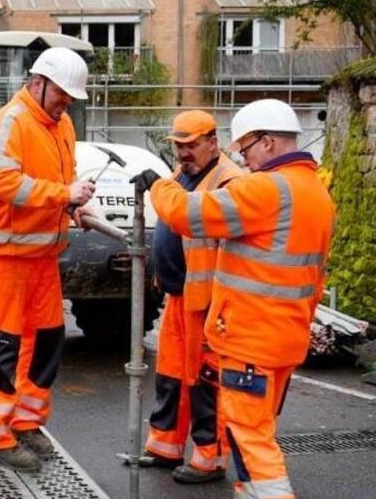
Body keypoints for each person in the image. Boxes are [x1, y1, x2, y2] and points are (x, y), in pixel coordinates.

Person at [132, 99, 334, 499]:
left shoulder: (265, 189)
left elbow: (190, 214)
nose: (244, 158)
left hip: (249, 338)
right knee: (253, 433)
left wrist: (159, 185)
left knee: (250, 438)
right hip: (285, 336)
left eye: (246, 148)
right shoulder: (316, 194)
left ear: (268, 143)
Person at [0, 47, 96, 472]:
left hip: (42, 256)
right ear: (37, 83)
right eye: (61, 94)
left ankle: (26, 421)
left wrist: (74, 205)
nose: (66, 103)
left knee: (45, 342)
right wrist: (64, 195)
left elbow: (59, 181)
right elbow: (2, 181)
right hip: (6, 257)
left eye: (69, 98)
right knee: (4, 347)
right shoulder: (12, 121)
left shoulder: (59, 126)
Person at [138, 110, 242, 484]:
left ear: (213, 142)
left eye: (191, 145)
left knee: (204, 380)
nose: (183, 152)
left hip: (209, 299)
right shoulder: (183, 174)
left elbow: (186, 217)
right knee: (171, 373)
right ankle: (165, 445)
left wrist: (157, 188)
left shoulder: (229, 180)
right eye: (178, 146)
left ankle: (208, 458)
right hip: (181, 295)